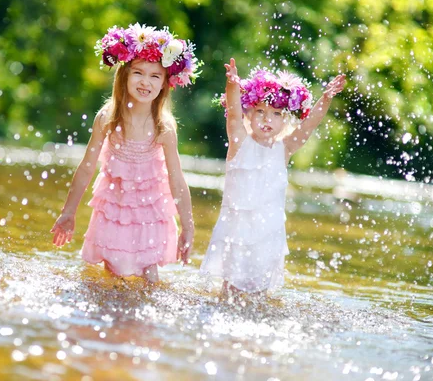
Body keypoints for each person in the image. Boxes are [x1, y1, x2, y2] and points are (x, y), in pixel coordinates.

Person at [51, 23, 201, 283]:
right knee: (112, 276)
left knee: (149, 279)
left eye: (155, 76)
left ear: (165, 84)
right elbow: (87, 167)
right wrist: (69, 211)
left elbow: (177, 179)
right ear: (124, 76)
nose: (146, 82)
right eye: (138, 73)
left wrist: (187, 226)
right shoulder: (107, 118)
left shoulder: (163, 127)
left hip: (150, 214)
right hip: (114, 210)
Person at [200, 58, 346, 300]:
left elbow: (308, 127)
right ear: (250, 113)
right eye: (260, 112)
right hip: (237, 231)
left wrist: (327, 98)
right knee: (229, 294)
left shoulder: (284, 149)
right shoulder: (239, 143)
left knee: (260, 298)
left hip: (268, 235)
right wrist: (233, 85)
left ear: (285, 119)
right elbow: (233, 116)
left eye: (276, 113)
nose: (267, 119)